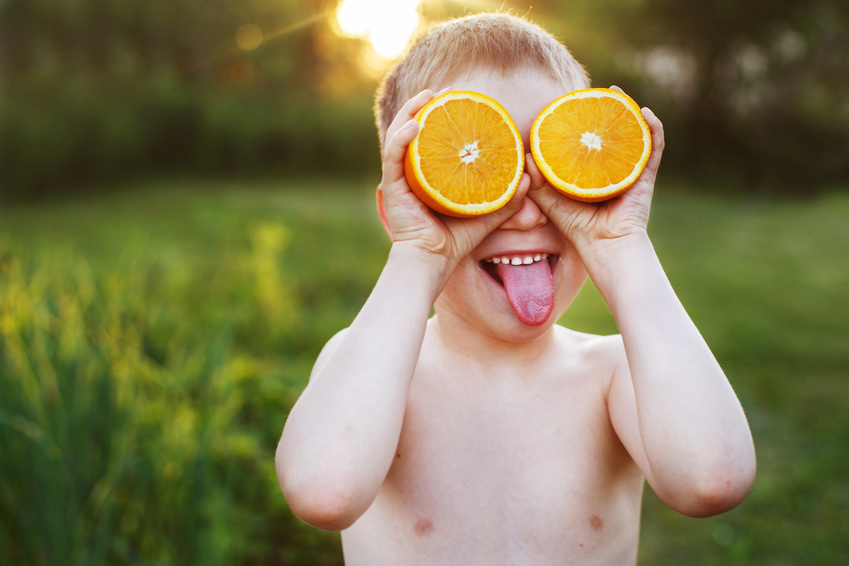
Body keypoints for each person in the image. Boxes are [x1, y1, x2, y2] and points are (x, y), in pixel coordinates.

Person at [276, 12, 756, 565]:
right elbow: (322, 491)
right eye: (481, 165)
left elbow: (713, 478)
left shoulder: (614, 375)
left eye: (554, 170)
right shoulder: (376, 376)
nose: (526, 212)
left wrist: (623, 244)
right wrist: (419, 253)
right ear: (401, 209)